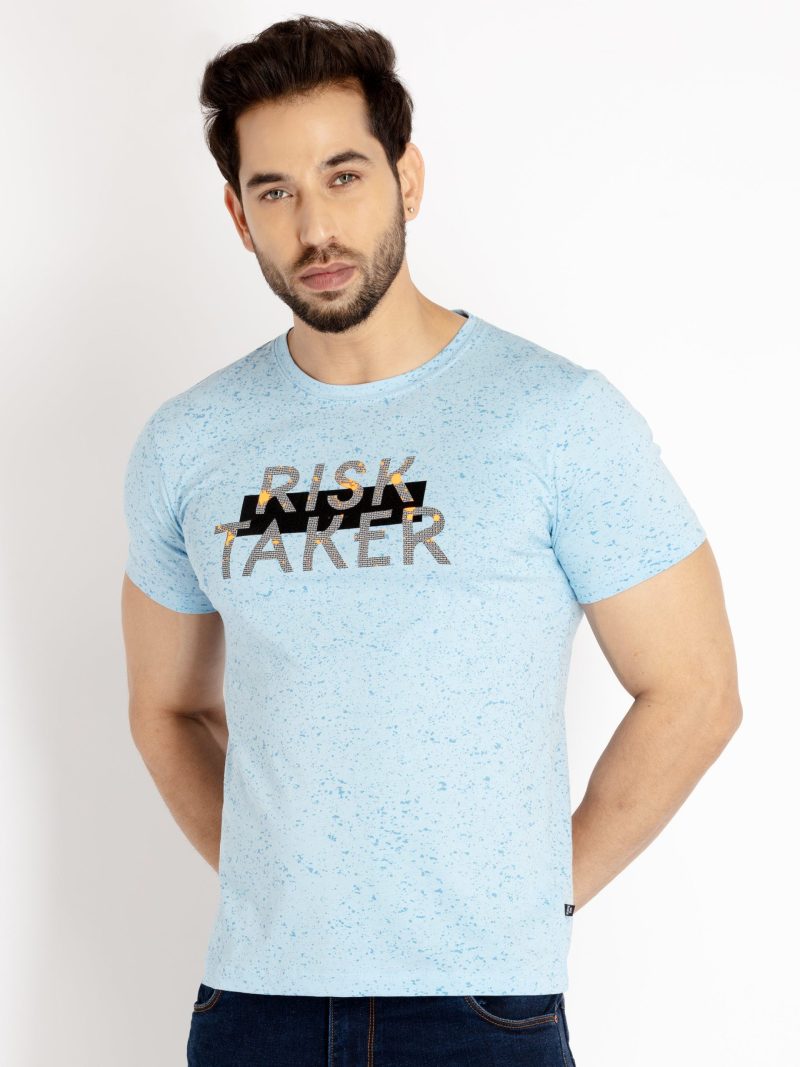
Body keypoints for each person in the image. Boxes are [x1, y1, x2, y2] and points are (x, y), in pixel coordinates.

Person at [120, 15, 742, 1067]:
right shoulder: (190, 442)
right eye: (275, 192)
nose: (315, 227)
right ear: (237, 214)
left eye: (344, 175)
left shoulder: (554, 416)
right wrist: (281, 885)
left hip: (480, 1010)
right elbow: (164, 706)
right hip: (255, 1007)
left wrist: (540, 893)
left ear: (407, 178)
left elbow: (695, 688)